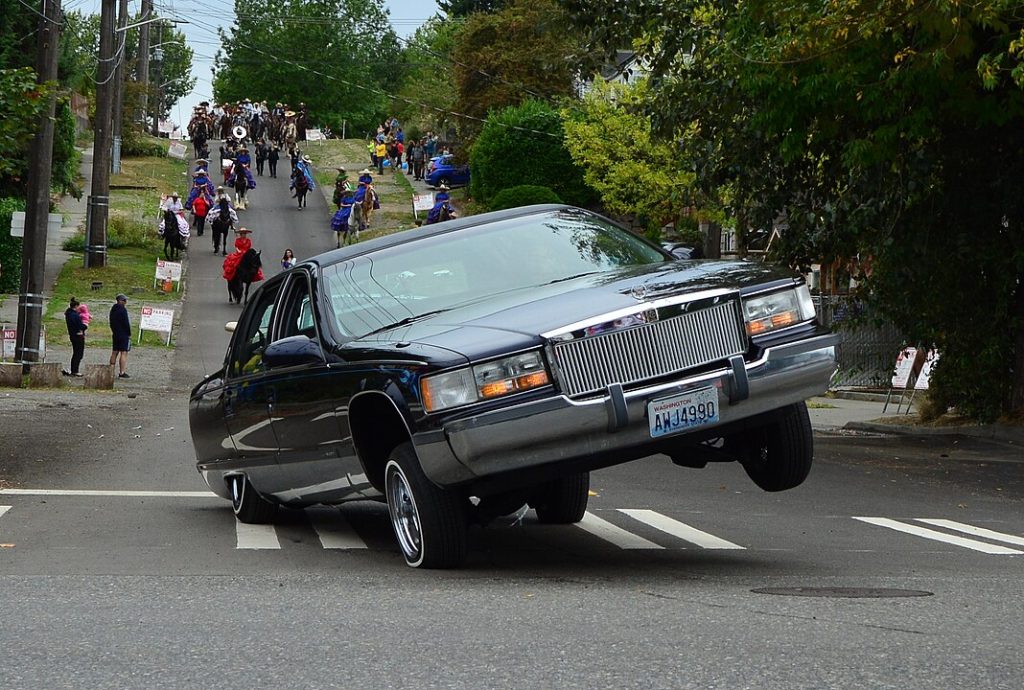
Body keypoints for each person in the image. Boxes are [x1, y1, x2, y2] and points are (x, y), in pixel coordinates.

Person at [62, 297, 86, 377]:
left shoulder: (69, 314)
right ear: (75, 306)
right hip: (77, 336)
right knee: (78, 353)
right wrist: (84, 326)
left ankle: (74, 370)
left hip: (73, 335)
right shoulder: (74, 315)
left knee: (76, 353)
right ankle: (75, 370)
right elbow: (79, 325)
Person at [109, 293, 131, 378]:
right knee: (123, 352)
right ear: (120, 301)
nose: (126, 302)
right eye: (124, 300)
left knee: (114, 352)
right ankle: (122, 372)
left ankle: (111, 370)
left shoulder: (113, 309)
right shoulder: (123, 310)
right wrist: (128, 333)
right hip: (123, 334)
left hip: (115, 333)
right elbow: (126, 323)